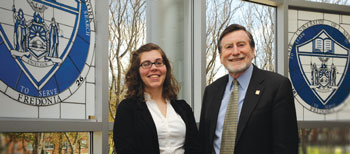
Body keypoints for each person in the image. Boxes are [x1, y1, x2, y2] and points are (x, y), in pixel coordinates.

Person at [199, 24, 299, 154]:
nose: (235, 52)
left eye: (241, 45)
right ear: (220, 56)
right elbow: (203, 143)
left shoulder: (277, 86)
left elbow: (286, 146)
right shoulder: (211, 91)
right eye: (228, 47)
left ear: (253, 51)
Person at [113, 43, 202, 154]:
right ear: (137, 71)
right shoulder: (127, 108)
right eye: (146, 64)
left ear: (166, 68)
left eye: (158, 63)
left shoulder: (183, 107)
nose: (154, 68)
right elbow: (125, 150)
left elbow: (196, 147)